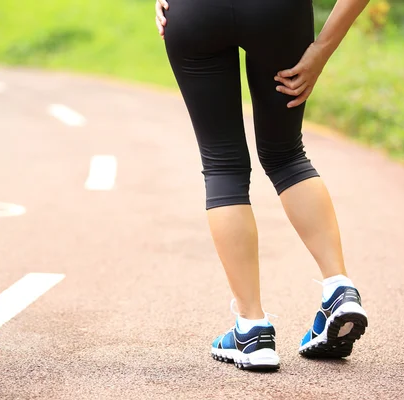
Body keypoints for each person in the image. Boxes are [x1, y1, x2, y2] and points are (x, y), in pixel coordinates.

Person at [155, 0, 370, 371]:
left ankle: (251, 329)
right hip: (276, 11)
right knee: (286, 156)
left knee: (223, 167)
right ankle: (338, 288)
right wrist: (322, 49)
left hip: (194, 11)